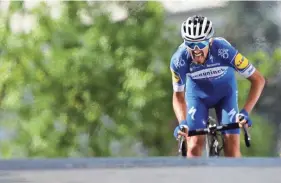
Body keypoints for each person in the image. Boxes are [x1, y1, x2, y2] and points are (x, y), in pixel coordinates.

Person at [170, 15, 265, 157]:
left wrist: (245, 112)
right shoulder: (179, 60)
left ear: (210, 41)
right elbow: (178, 96)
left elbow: (258, 80)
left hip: (225, 95)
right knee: (194, 146)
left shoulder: (225, 51)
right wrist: (182, 122)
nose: (196, 50)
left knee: (232, 149)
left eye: (201, 44)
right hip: (198, 97)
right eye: (190, 44)